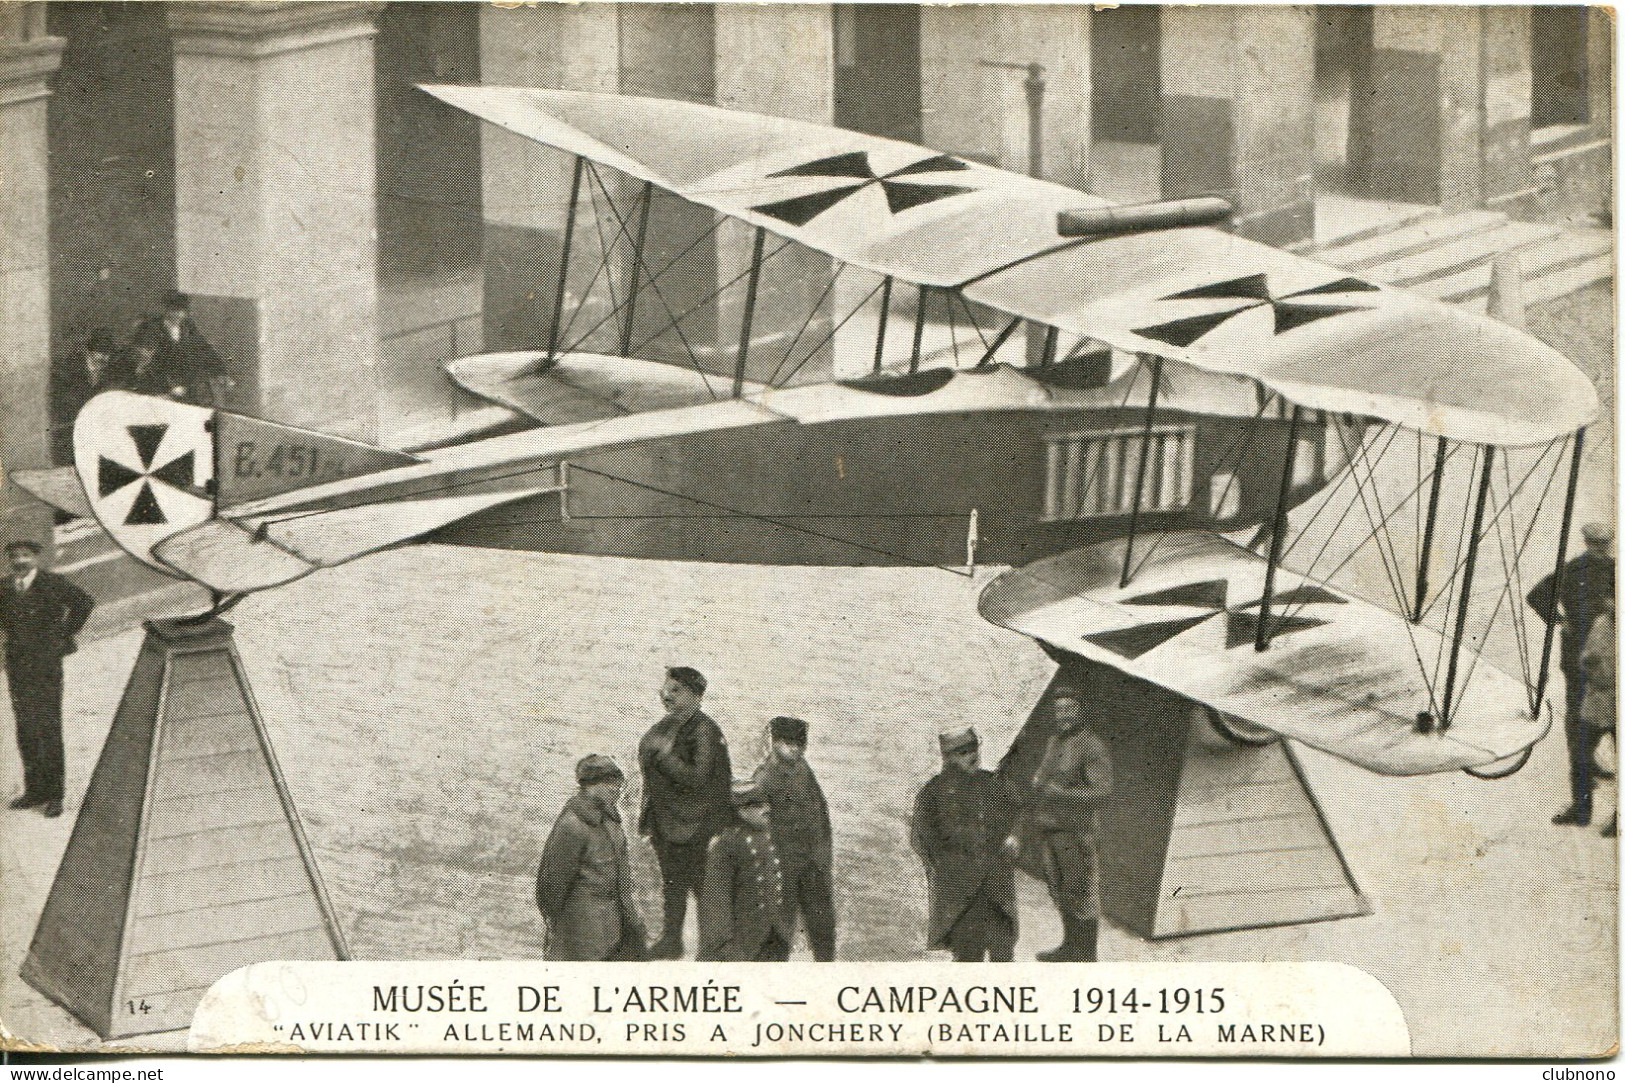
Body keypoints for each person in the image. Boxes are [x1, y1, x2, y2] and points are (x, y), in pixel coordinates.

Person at [1001, 685, 1112, 962]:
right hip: (1049, 828)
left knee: (1081, 893)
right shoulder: (1054, 742)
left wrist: (1059, 793)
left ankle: (1086, 956)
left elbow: (1103, 792)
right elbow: (1042, 782)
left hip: (1076, 833)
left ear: (1080, 711)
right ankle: (1070, 947)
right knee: (1059, 890)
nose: (1063, 716)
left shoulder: (1091, 746)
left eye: (1069, 709)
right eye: (1059, 710)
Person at [638, 666, 732, 959]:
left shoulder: (705, 730)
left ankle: (713, 947)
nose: (666, 695)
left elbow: (698, 777)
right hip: (667, 821)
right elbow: (650, 776)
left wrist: (663, 758)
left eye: (676, 691)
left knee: (704, 888)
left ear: (697, 695)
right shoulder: (667, 726)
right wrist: (647, 816)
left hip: (697, 824)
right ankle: (672, 940)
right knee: (672, 885)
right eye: (665, 690)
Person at [1528, 522, 1616, 826]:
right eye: (1597, 545)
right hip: (1587, 656)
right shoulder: (1589, 570)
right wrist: (1558, 619)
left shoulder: (1590, 569)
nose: (1600, 550)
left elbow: (1537, 594)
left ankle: (1585, 770)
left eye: (1602, 546)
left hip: (1595, 655)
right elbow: (1537, 595)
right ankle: (1586, 768)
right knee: (1582, 715)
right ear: (1590, 543)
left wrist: (1561, 620)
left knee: (1586, 715)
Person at [1, 540, 95, 818]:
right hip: (18, 666)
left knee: (49, 728)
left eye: (26, 555)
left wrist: (63, 635)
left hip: (45, 666)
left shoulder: (53, 583)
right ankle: (35, 790)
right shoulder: (4, 587)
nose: (20, 560)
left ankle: (55, 795)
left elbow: (84, 603)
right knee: (25, 728)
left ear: (36, 558)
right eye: (14, 556)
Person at [910, 727, 1019, 962]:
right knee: (969, 959)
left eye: (973, 749)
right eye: (962, 752)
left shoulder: (993, 784)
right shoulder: (932, 793)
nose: (972, 756)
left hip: (996, 890)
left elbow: (1019, 814)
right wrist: (949, 867)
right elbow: (922, 839)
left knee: (1004, 957)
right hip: (961, 899)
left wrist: (1015, 836)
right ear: (947, 758)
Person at [535, 754, 647, 960]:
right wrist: (554, 924)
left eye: (617, 784)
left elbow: (623, 877)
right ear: (589, 786)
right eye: (609, 783)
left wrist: (633, 917)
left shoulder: (611, 822)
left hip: (614, 925)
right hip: (580, 930)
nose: (616, 789)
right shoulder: (572, 824)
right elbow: (553, 884)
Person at [751, 716, 836, 961]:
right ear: (775, 742)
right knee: (777, 931)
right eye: (788, 742)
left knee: (822, 928)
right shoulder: (765, 777)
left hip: (812, 864)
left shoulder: (804, 772)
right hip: (782, 867)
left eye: (800, 743)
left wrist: (822, 856)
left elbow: (820, 815)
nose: (795, 748)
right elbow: (758, 826)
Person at [698, 779, 792, 961]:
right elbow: (717, 901)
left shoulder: (770, 836)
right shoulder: (727, 845)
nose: (767, 809)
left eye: (767, 803)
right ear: (741, 811)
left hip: (773, 937)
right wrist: (725, 946)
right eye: (757, 805)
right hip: (740, 944)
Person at [137, 291, 226, 406]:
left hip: (185, 385)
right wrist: (170, 387)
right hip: (160, 386)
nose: (179, 315)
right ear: (166, 310)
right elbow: (148, 362)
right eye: (174, 311)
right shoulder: (152, 329)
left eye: (182, 311)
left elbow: (204, 348)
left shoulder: (187, 327)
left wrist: (220, 371)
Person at [51, 329, 120, 464]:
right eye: (100, 352)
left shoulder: (109, 372)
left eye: (108, 353)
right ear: (89, 351)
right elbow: (63, 404)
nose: (104, 358)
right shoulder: (69, 369)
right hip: (69, 431)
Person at [1580, 598, 1617, 838]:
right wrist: (1588, 663)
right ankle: (1582, 807)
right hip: (1597, 700)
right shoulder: (1601, 623)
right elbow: (1587, 657)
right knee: (1581, 752)